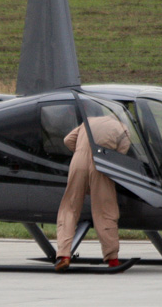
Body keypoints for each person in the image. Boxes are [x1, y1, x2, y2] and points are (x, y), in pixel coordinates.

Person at [54, 111, 131, 272]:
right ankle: (112, 259)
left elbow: (68, 140)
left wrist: (81, 151)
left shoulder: (87, 122)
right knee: (105, 211)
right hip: (102, 164)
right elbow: (121, 155)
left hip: (78, 162)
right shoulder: (122, 128)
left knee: (69, 208)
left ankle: (63, 255)